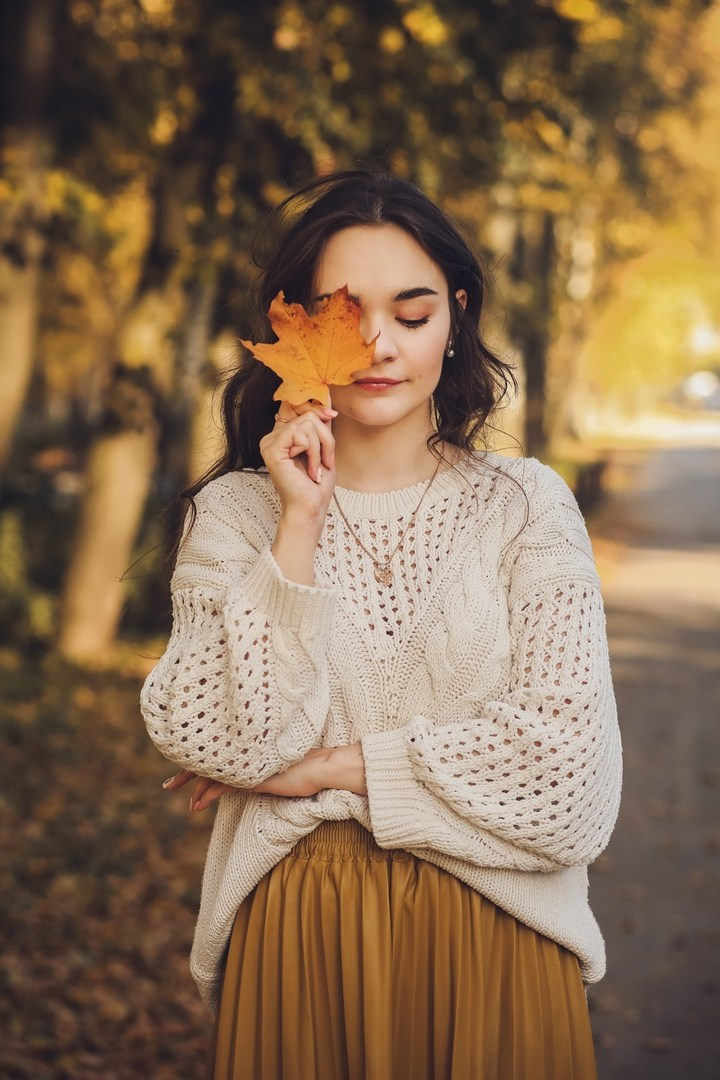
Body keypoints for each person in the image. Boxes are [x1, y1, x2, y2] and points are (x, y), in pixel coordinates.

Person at [141, 169, 622, 1080]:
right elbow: (223, 739)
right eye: (343, 312)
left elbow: (570, 786)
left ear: (456, 317)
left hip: (501, 944)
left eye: (412, 313)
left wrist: (326, 768)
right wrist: (299, 524)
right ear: (296, 327)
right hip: (297, 942)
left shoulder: (527, 507)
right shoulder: (237, 517)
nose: (378, 345)